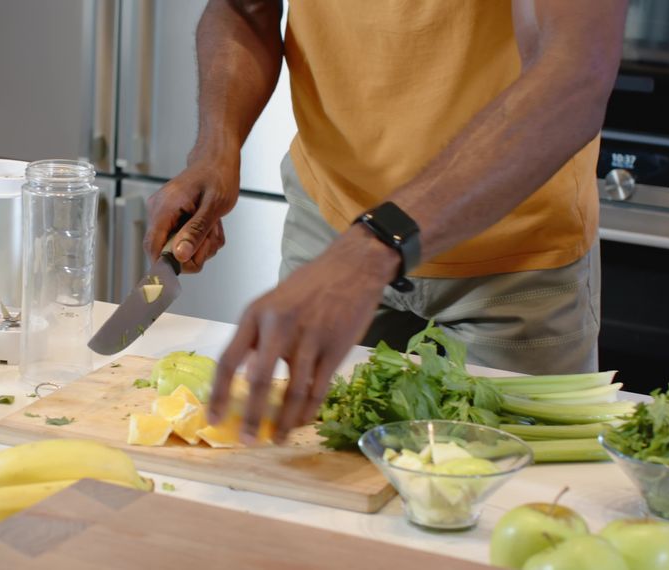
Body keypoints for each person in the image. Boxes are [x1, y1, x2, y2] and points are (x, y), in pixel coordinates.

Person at [143, 0, 626, 444]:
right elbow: (244, 9)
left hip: (513, 254)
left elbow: (572, 74)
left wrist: (371, 248)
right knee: (308, 473)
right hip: (332, 229)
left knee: (502, 502)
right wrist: (216, 148)